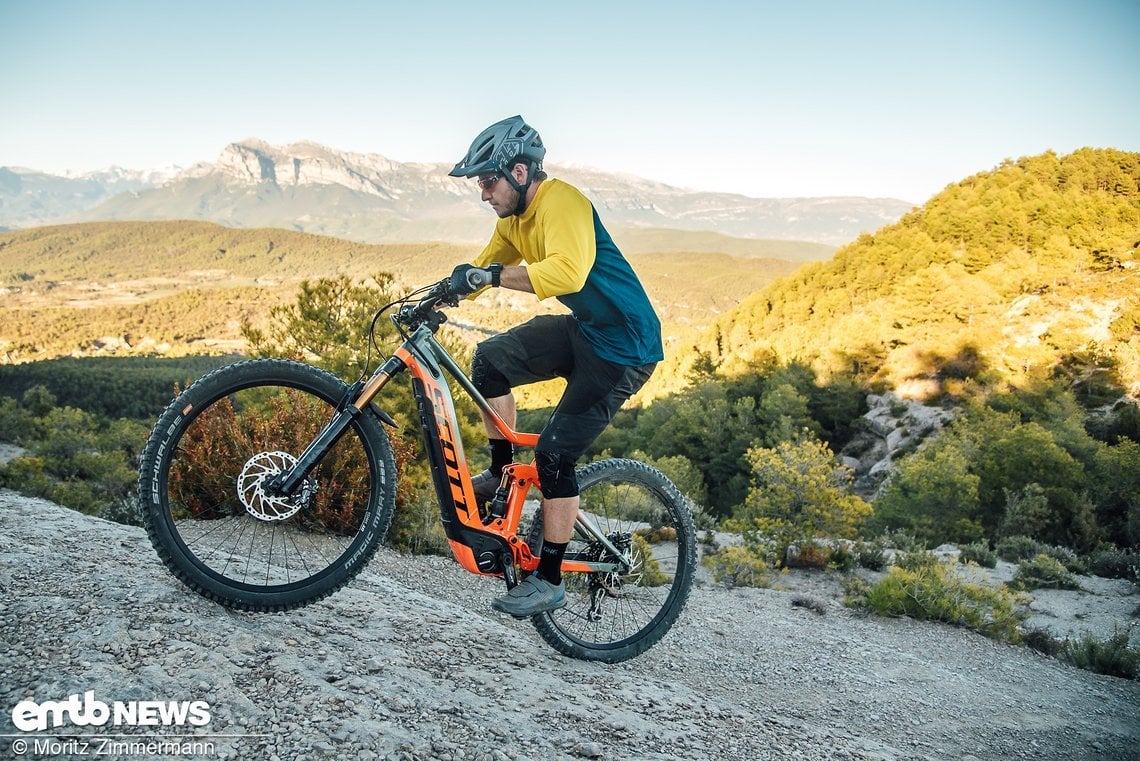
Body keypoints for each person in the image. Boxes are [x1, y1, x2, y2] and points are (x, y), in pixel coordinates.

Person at [446, 115, 663, 617]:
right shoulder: (513, 219)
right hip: (587, 330)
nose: (484, 194)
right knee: (492, 360)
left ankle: (549, 578)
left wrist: (492, 274)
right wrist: (447, 290)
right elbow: (485, 266)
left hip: (624, 350)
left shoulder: (562, 201)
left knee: (553, 456)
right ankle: (502, 476)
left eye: (488, 181)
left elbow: (567, 270)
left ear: (519, 173)